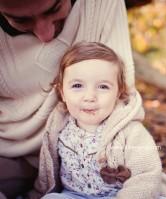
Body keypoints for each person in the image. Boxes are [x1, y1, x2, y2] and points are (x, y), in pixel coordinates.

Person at [0, 0, 135, 198]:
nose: (45, 35)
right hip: (7, 153)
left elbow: (123, 98)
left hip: (83, 158)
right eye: (20, 20)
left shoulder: (100, 5)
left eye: (54, 9)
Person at [29, 41, 163, 199]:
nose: (90, 97)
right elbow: (47, 168)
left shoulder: (130, 131)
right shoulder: (58, 126)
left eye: (103, 87)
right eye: (78, 85)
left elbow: (146, 176)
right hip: (74, 195)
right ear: (62, 92)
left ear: (119, 93)